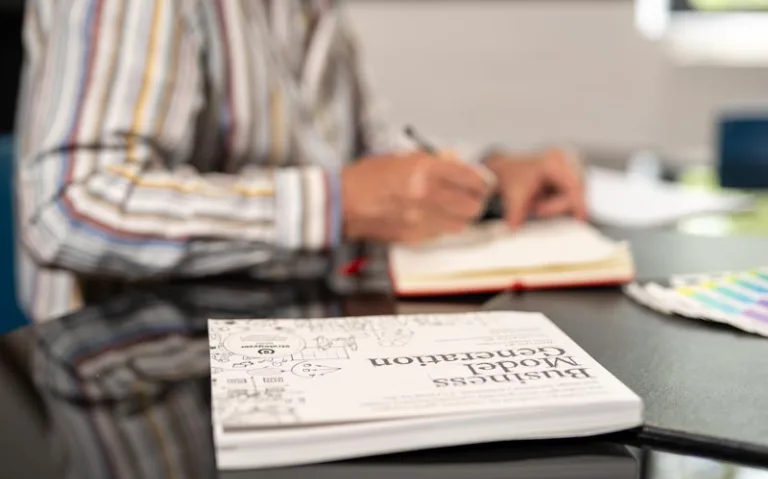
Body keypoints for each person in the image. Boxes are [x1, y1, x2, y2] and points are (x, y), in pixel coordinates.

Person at [15, 0, 587, 323]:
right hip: (133, 368)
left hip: (289, 330)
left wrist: (490, 172)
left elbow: (368, 151)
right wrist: (334, 205)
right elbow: (67, 204)